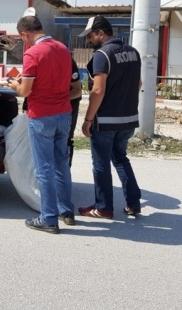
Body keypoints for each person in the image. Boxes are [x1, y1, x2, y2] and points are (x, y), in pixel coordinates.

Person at [7, 14, 75, 234]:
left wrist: (12, 86)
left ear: (25, 33)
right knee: (61, 165)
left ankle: (48, 218)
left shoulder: (32, 53)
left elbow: (25, 91)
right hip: (64, 113)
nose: (23, 42)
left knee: (44, 168)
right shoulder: (63, 48)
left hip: (41, 116)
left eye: (22, 37)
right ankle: (67, 211)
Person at [78, 15, 142, 219]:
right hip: (128, 119)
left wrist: (88, 120)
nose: (88, 40)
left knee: (101, 164)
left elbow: (98, 90)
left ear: (100, 33)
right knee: (121, 159)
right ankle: (133, 204)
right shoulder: (133, 52)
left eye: (90, 36)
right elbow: (139, 84)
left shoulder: (102, 55)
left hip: (105, 121)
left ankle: (103, 207)